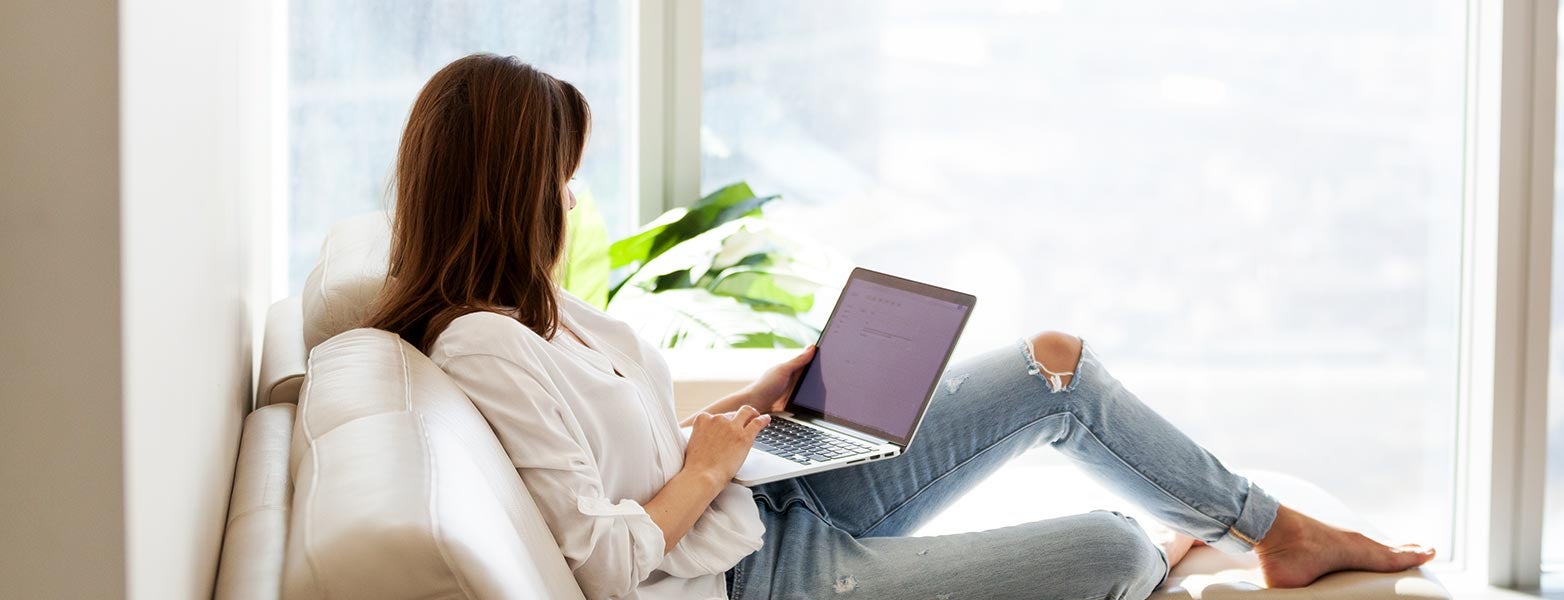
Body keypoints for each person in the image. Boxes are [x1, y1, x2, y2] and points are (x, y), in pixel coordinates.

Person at [365, 53, 1433, 600]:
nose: (571, 200)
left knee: (1050, 364)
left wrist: (757, 405)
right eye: (560, 179)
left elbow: (629, 453)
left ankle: (1274, 530)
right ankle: (1185, 543)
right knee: (1116, 547)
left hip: (761, 508)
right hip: (751, 581)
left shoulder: (546, 309)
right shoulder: (482, 346)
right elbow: (601, 562)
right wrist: (708, 467)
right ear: (514, 190)